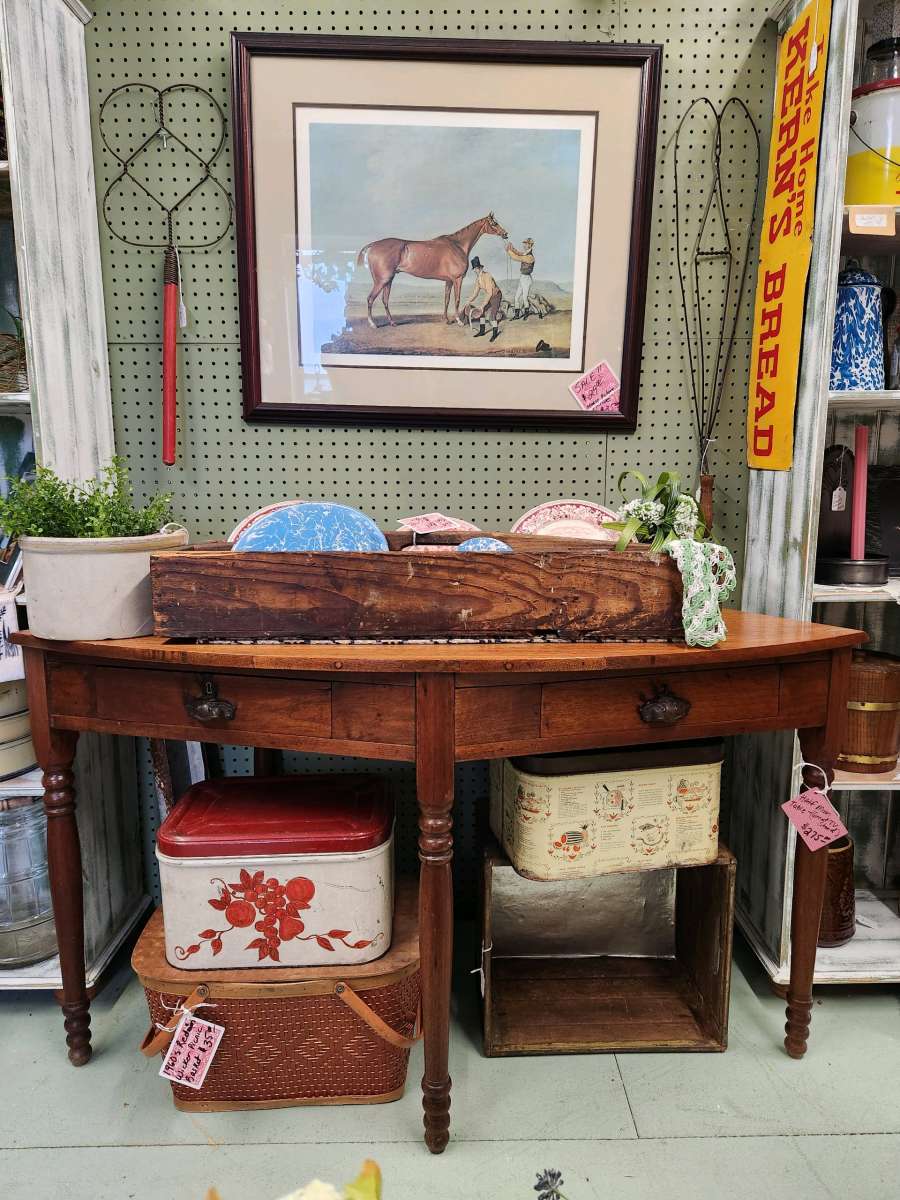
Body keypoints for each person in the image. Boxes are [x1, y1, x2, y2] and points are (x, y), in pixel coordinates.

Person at [462, 256, 502, 342]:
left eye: (476, 268)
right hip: (489, 296)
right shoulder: (478, 279)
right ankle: (482, 331)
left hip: (496, 296)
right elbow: (475, 293)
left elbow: (490, 292)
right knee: (482, 313)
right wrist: (468, 301)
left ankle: (495, 333)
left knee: (492, 316)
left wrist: (483, 305)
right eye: (474, 269)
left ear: (480, 268)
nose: (475, 270)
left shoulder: (487, 276)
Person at [506, 237, 535, 320]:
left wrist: (508, 251)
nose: (524, 245)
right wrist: (512, 248)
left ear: (530, 245)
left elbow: (517, 257)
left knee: (524, 297)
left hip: (526, 279)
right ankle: (517, 315)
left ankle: (526, 314)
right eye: (524, 243)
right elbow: (518, 253)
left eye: (526, 244)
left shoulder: (530, 257)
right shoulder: (526, 253)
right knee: (516, 297)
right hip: (522, 278)